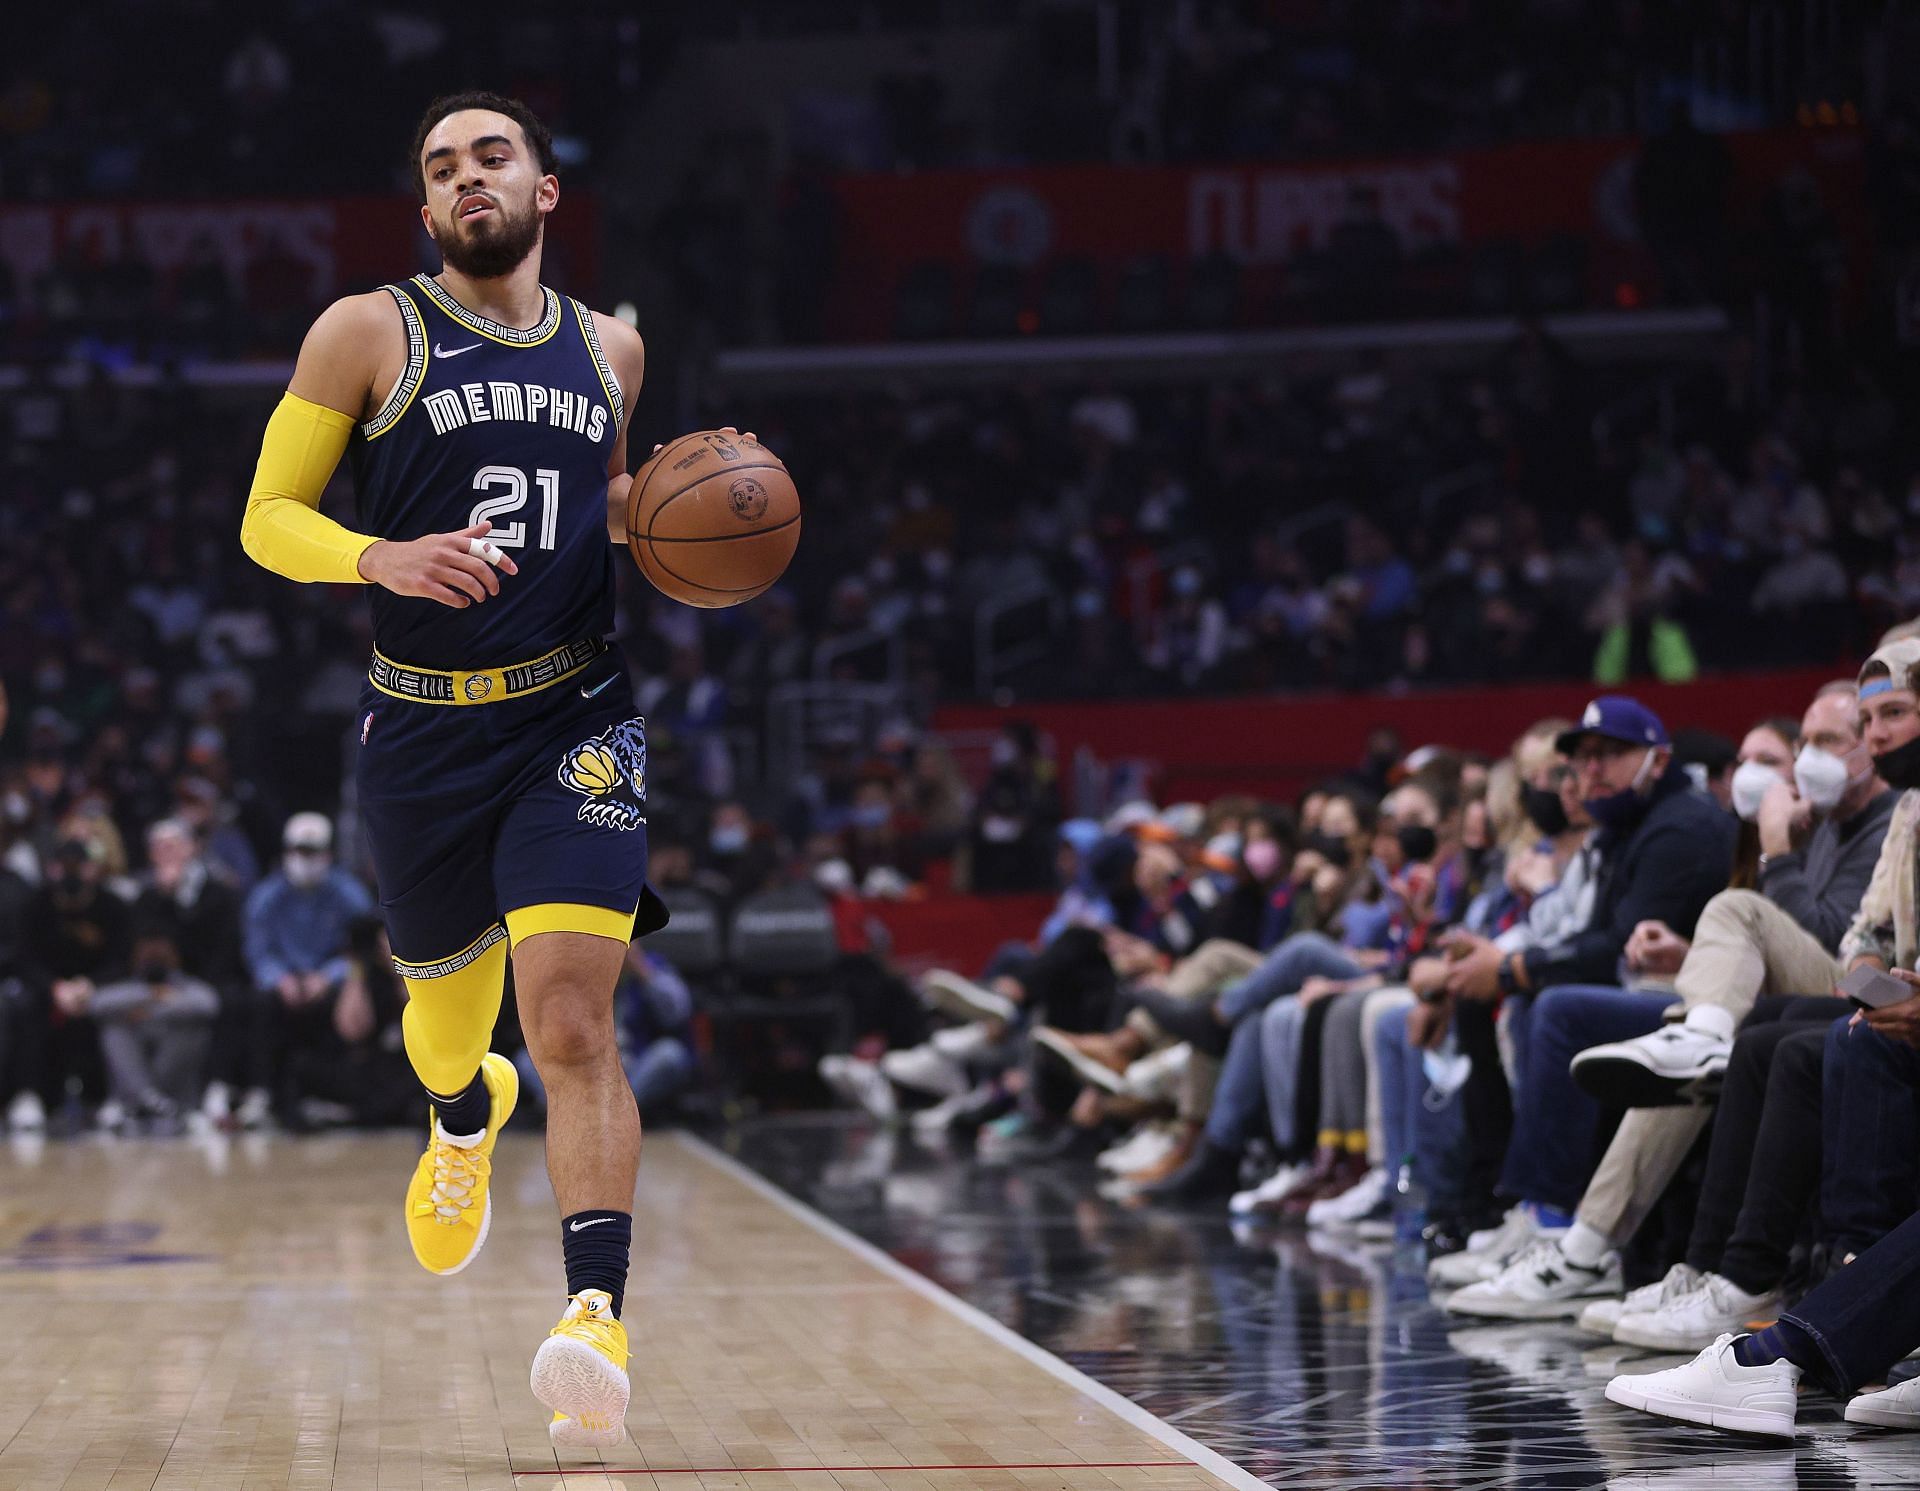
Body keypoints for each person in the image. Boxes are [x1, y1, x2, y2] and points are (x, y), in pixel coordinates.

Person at [237, 91, 689, 1447]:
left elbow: (596, 504)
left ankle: (592, 1314)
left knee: (570, 1023)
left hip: (575, 714)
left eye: (492, 156)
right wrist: (378, 553)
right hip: (425, 727)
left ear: (545, 190)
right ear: (426, 210)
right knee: (453, 1025)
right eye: (442, 168)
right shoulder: (370, 329)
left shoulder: (613, 347)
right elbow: (268, 517)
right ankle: (459, 1110)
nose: (467, 178)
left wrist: (668, 514)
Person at [1448, 685, 1895, 1321]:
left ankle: (1568, 1230)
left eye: (1826, 743)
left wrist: (1774, 850)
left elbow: (1830, 943)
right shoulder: (1817, 824)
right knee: (1686, 1044)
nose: (1792, 767)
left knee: (1707, 963)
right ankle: (1588, 1245)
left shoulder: (1868, 821)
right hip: (1772, 992)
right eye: (1800, 746)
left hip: (1855, 992)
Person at [241, 813, 375, 1127]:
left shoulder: (349, 894)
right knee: (260, 1006)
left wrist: (327, 977)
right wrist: (281, 979)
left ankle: (331, 1096)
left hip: (329, 982)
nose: (304, 859)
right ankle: (264, 1094)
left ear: (327, 854)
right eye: (297, 852)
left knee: (349, 1006)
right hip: (284, 983)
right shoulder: (266, 897)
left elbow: (361, 950)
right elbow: (258, 952)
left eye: (311, 852)